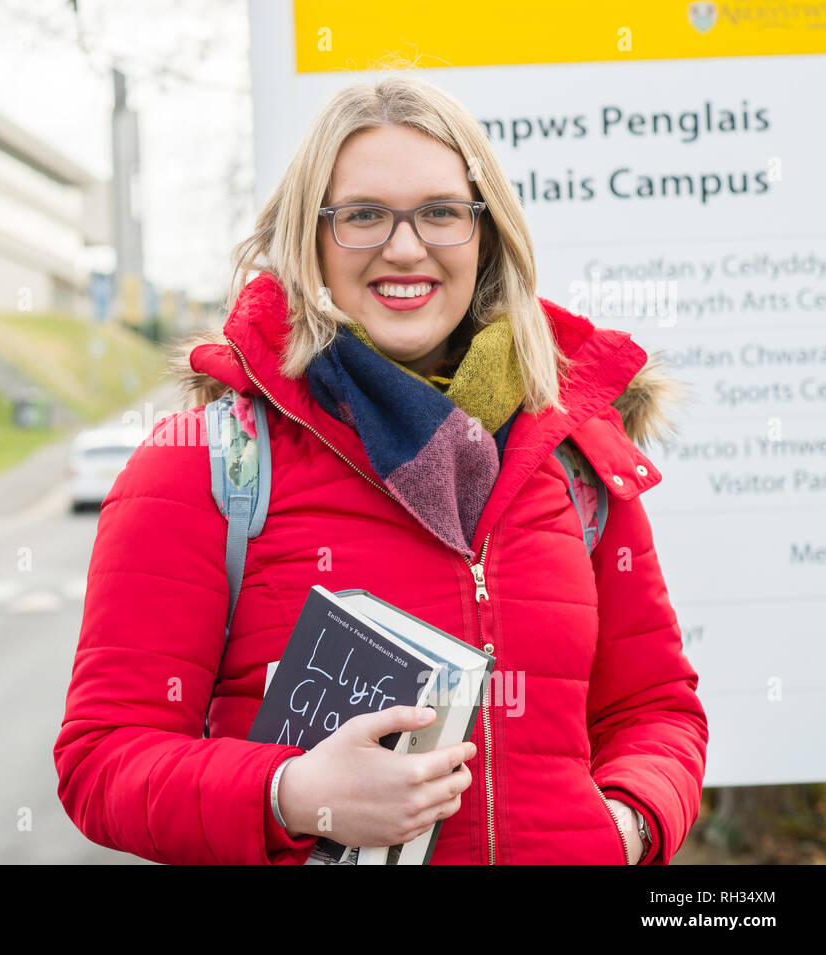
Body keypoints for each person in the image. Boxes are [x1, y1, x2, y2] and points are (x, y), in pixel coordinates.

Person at [53, 71, 708, 865]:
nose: (406, 247)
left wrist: (628, 827)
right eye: (363, 215)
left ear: (486, 234)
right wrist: (291, 792)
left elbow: (656, 709)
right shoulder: (208, 468)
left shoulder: (571, 460)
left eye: (440, 212)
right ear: (311, 237)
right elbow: (103, 759)